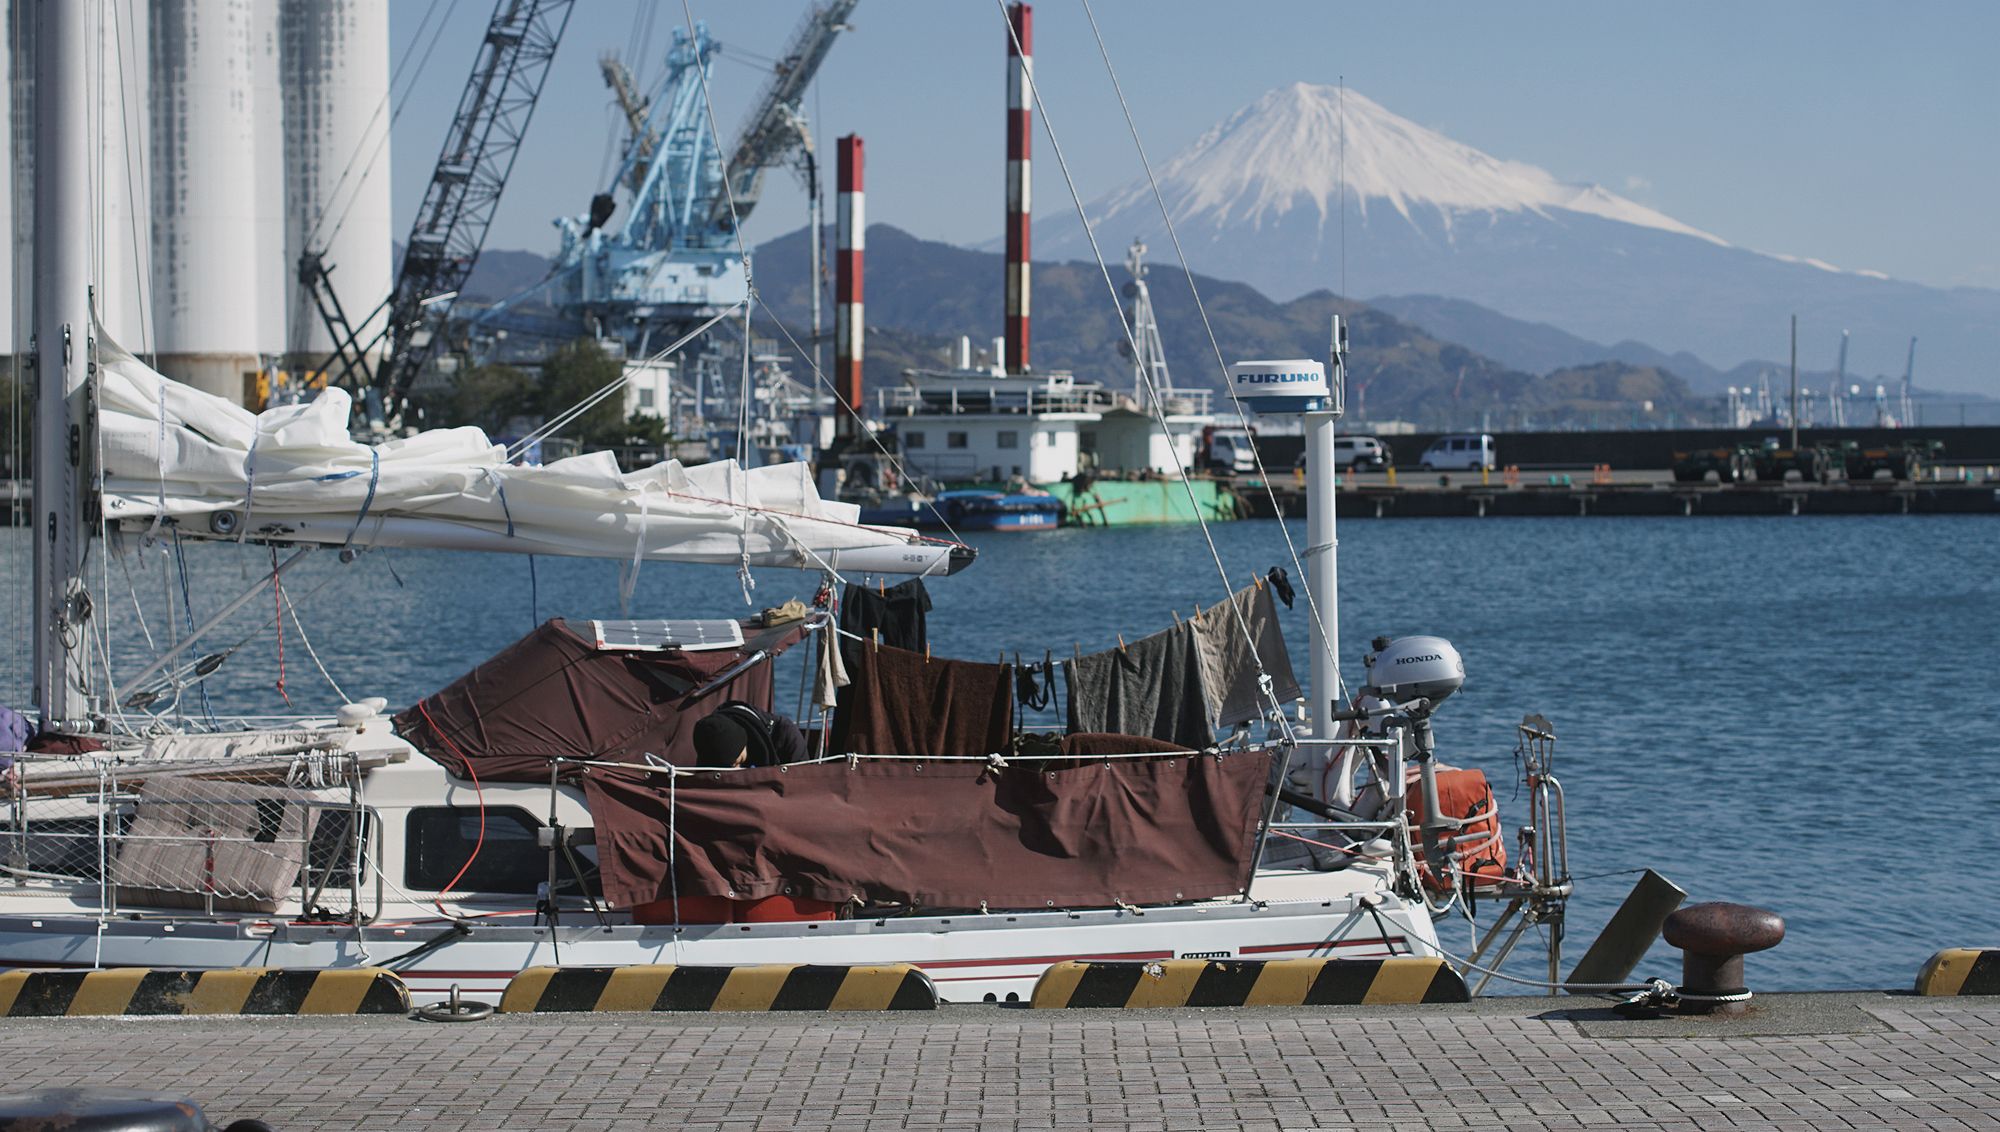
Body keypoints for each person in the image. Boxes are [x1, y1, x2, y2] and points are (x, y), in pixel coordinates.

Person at [691, 701, 808, 769]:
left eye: (739, 763)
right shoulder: (710, 735)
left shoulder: (788, 738)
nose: (737, 770)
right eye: (730, 767)